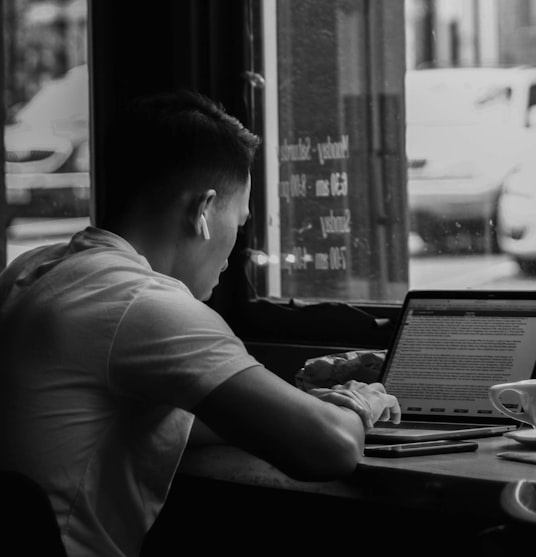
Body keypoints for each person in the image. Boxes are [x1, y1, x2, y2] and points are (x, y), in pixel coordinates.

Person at [0, 90, 401, 557]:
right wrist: (356, 404)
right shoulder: (145, 303)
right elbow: (329, 450)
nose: (239, 244)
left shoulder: (31, 271)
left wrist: (294, 403)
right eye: (240, 220)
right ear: (204, 211)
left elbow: (153, 416)